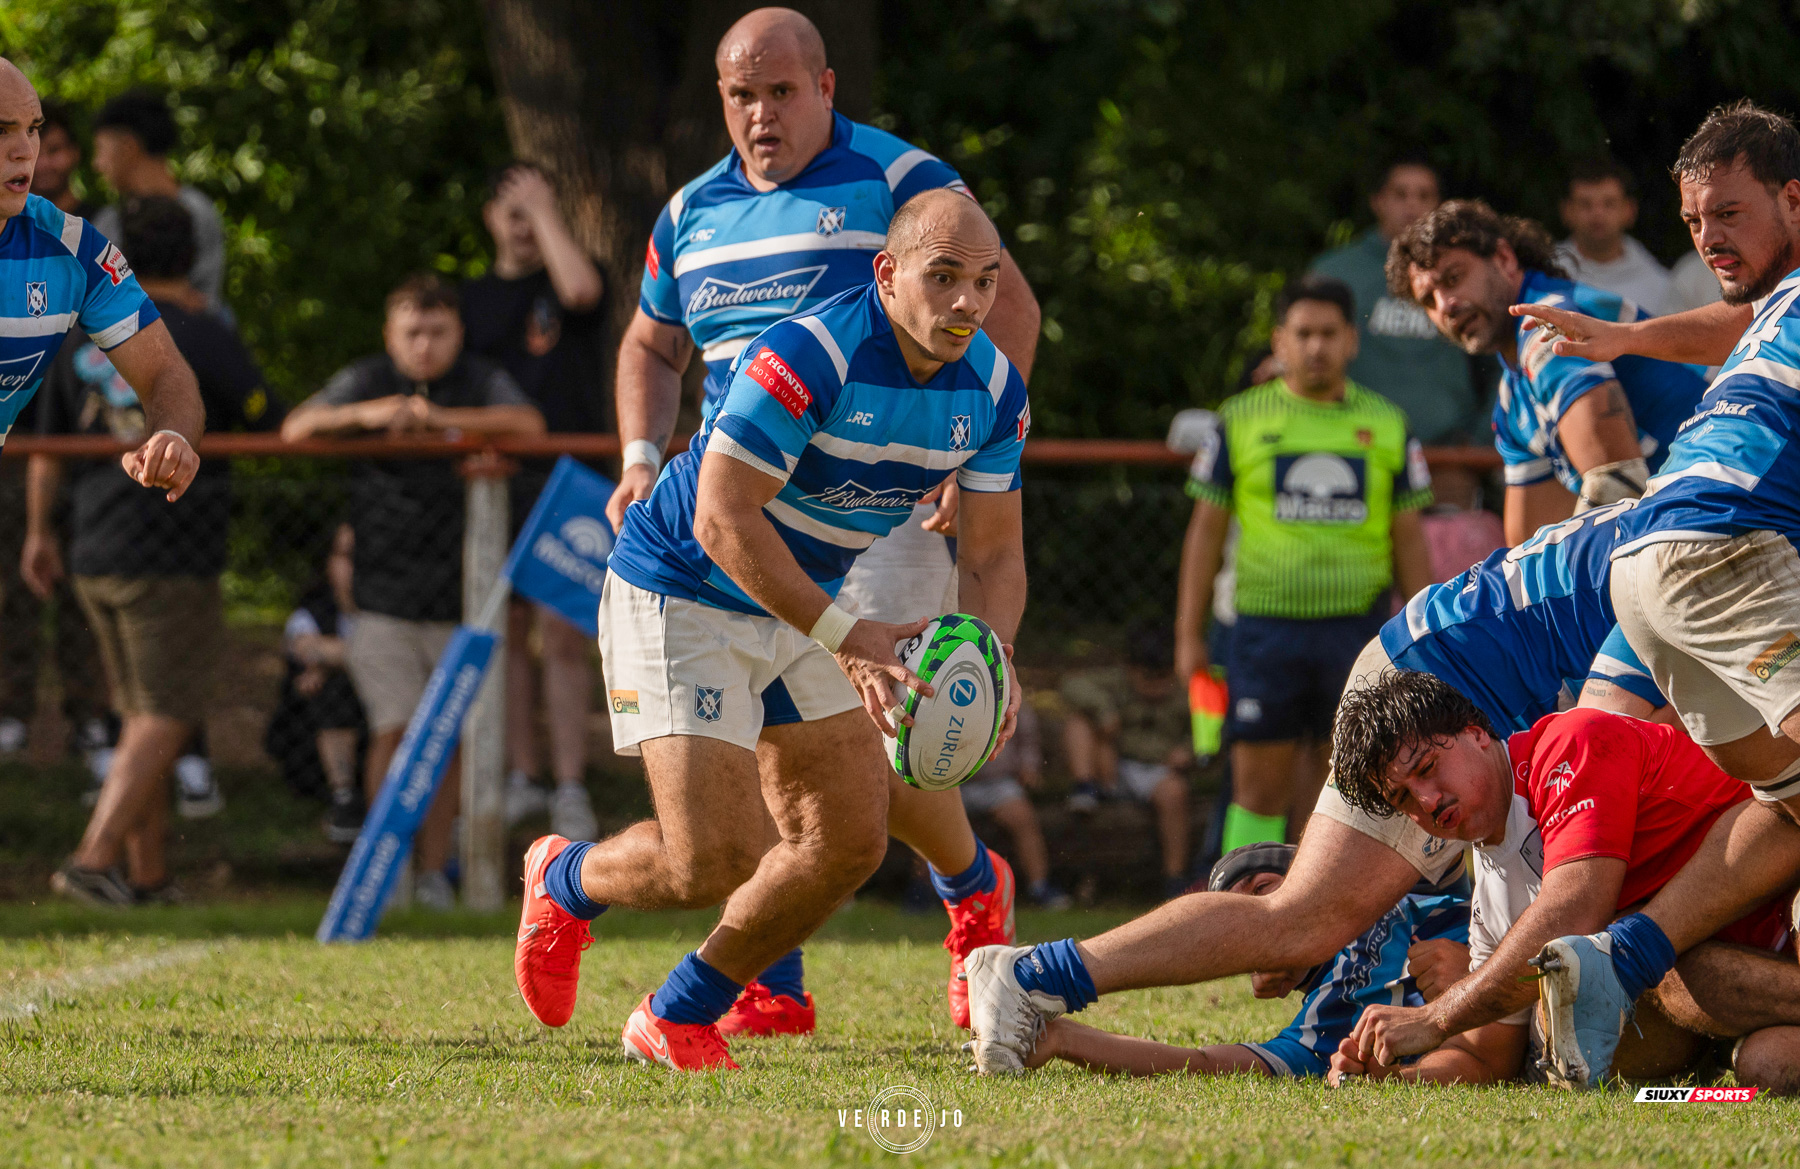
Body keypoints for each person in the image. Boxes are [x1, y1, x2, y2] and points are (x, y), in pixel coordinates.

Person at [513, 189, 1031, 1071]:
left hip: (803, 599)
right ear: (888, 273)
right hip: (681, 582)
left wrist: (994, 655)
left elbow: (992, 557)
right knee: (709, 859)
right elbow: (722, 518)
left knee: (847, 841)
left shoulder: (991, 388)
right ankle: (563, 877)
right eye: (943, 278)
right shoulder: (808, 352)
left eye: (982, 283)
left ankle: (678, 1011)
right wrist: (844, 633)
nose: (967, 304)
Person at [605, 6, 1043, 1036]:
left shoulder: (901, 183)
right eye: (741, 96)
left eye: (783, 92)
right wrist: (635, 452)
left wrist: (967, 446)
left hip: (880, 498)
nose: (762, 115)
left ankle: (970, 884)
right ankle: (774, 977)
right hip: (739, 506)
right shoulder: (689, 214)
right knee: (781, 755)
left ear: (828, 87)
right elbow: (649, 347)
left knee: (892, 733)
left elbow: (1005, 304)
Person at [960, 501, 1666, 1073]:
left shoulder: (1711, 520)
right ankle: (1032, 976)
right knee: (1307, 917)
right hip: (1441, 677)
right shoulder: (1707, 547)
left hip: (1456, 658)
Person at [1491, 101, 1800, 1089]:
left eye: (1729, 213)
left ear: (1795, 199)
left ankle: (1617, 958)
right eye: (1695, 218)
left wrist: (1619, 338)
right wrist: (1619, 339)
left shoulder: (1778, 308)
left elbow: (1725, 325)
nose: (1707, 236)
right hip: (1722, 551)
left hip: (1657, 564)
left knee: (1786, 805)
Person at [1326, 672, 1800, 1094]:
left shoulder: (1570, 740)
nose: (1426, 801)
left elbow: (1577, 906)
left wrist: (1436, 1016)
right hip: (1751, 993)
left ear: (1476, 734)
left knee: (1619, 952)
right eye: (1403, 797)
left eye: (1427, 768)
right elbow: (1485, 1055)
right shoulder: (1492, 886)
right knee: (1767, 1062)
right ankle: (1720, 1065)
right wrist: (1395, 1080)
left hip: (1790, 896)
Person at [0, 60, 207, 903]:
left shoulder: (74, 246)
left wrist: (173, 434)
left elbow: (170, 375)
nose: (24, 151)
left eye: (33, 129)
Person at [26, 196, 266, 903]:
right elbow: (268, 414)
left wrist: (40, 531)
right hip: (172, 549)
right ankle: (94, 857)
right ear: (193, 255)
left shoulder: (76, 335)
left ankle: (151, 874)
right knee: (165, 711)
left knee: (138, 714)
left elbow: (44, 440)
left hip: (90, 546)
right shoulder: (201, 331)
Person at [282, 273, 545, 911]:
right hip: (380, 601)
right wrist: (370, 417)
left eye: (438, 331)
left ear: (458, 332)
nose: (424, 345)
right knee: (393, 733)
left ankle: (433, 877)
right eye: (412, 332)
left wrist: (439, 421)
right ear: (389, 335)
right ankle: (386, 875)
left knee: (447, 738)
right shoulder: (368, 380)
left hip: (463, 600)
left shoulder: (479, 380)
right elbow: (296, 428)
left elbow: (529, 424)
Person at [1176, 275, 1434, 855]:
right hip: (1263, 631)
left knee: (1345, 788)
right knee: (1256, 790)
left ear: (1352, 341)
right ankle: (1243, 916)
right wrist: (1188, 635)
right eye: (1303, 334)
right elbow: (1204, 534)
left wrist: (1425, 632)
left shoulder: (1388, 422)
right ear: (1280, 341)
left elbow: (1410, 538)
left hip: (1357, 632)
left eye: (1328, 333)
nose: (1316, 346)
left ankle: (1324, 924)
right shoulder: (1239, 418)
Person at [1386, 199, 1706, 545]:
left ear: (1505, 259)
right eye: (1429, 301)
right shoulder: (1511, 396)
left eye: (1453, 278)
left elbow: (1616, 486)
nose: (1445, 306)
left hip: (1728, 508)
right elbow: (1526, 552)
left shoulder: (1547, 328)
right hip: (1698, 521)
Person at [1023, 841, 1469, 1081]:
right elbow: (1201, 1063)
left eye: (1261, 891)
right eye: (1236, 931)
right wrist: (1064, 1039)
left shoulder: (1396, 879)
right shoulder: (1325, 1025)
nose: (1256, 922)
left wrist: (1475, 969)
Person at [461, 163, 605, 842]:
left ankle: (571, 787)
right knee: (509, 635)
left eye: (534, 211)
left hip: (570, 481)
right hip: (500, 484)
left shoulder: (572, 277)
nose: (522, 225)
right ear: (488, 217)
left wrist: (547, 212)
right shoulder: (471, 298)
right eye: (511, 210)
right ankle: (522, 776)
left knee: (566, 635)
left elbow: (580, 290)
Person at [1310, 158, 1489, 451]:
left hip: (1449, 453)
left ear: (1440, 206)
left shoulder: (1468, 272)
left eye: (1423, 196)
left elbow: (1498, 358)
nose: (1412, 206)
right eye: (1400, 194)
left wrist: (1480, 439)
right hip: (1353, 445)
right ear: (1378, 201)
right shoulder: (1334, 273)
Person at [1061, 625, 1194, 898]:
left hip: (1157, 772)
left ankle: (1175, 880)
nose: (1156, 686)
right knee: (1079, 723)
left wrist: (1188, 750)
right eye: (1147, 677)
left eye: (1163, 678)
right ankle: (1084, 788)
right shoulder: (1115, 681)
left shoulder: (1185, 689)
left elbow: (1208, 731)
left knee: (1174, 792)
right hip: (1112, 766)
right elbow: (1070, 685)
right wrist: (1104, 711)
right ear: (1130, 668)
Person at [264, 523, 367, 843]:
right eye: (346, 556)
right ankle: (344, 799)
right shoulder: (312, 610)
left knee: (331, 674)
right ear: (328, 562)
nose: (355, 567)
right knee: (330, 686)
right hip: (308, 746)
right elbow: (305, 647)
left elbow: (323, 651)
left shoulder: (392, 614)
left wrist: (334, 657)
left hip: (379, 727)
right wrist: (359, 661)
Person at [89, 91, 226, 314]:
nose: (97, 164)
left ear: (127, 147)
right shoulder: (108, 220)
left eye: (100, 150)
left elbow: (202, 303)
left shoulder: (196, 211)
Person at [959, 699, 1066, 909]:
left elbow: (1027, 740)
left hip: (999, 783)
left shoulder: (1008, 696)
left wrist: (1029, 768)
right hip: (952, 783)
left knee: (1022, 818)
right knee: (933, 820)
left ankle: (1039, 886)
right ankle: (923, 889)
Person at [1555, 158, 1675, 316]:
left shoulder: (1661, 286)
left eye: (1609, 203)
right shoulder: (1546, 274)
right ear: (1567, 211)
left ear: (1629, 210)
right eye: (1586, 204)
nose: (1598, 213)